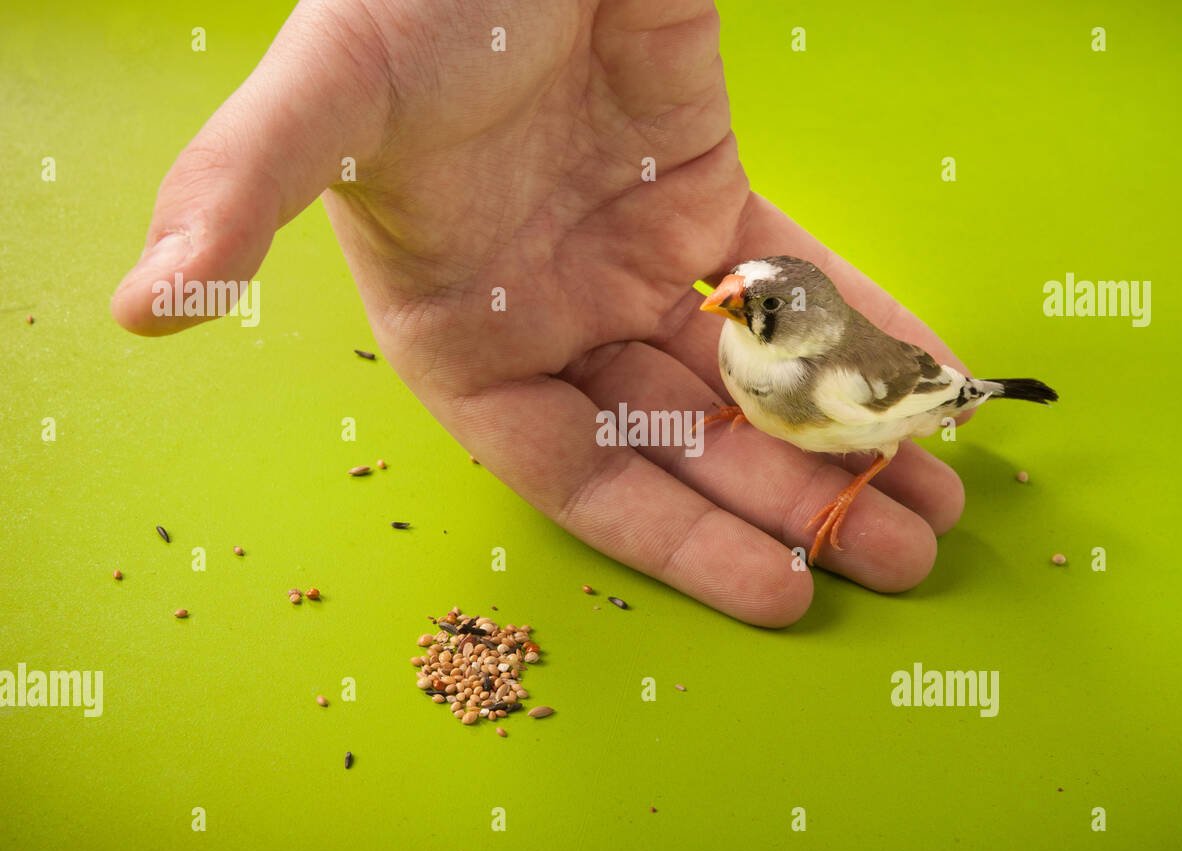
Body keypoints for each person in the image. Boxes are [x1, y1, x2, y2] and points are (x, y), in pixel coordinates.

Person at [111, 0, 968, 627]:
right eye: (731, 290)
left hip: (884, 403)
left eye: (749, 304)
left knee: (872, 463)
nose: (719, 302)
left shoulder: (834, 378)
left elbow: (876, 422)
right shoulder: (735, 341)